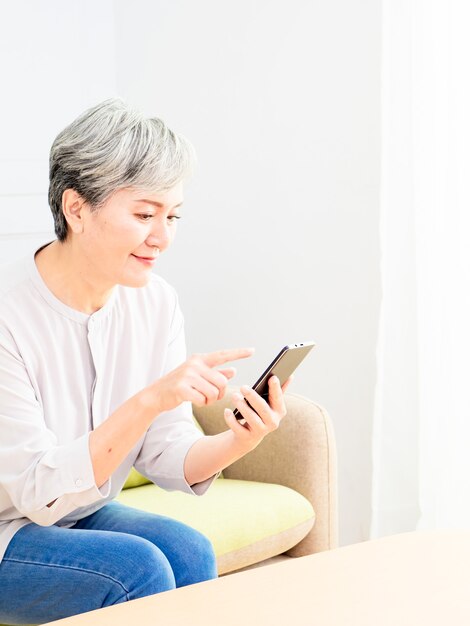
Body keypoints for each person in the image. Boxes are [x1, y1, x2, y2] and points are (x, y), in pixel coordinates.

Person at [0, 99, 291, 625]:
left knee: (189, 551)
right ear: (77, 208)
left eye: (172, 215)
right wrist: (152, 397)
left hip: (71, 514)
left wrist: (239, 441)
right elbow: (38, 492)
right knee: (136, 569)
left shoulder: (154, 301)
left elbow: (166, 452)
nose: (162, 237)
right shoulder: (7, 314)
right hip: (9, 526)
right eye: (143, 214)